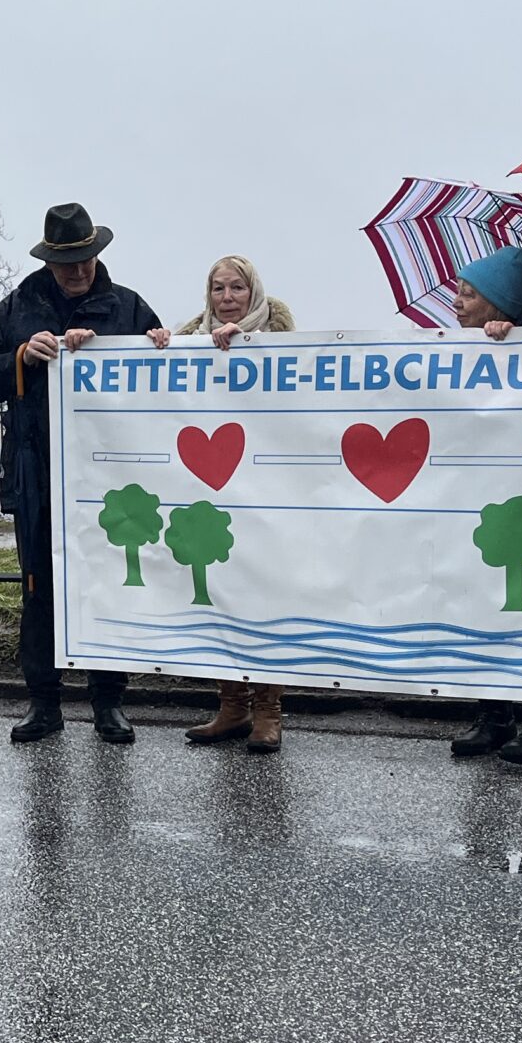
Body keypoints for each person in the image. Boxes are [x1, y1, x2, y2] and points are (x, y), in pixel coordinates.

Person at [0, 202, 170, 744]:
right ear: (50, 261)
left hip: (112, 480)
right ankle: (44, 704)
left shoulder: (128, 307)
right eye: (68, 264)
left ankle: (108, 702)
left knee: (108, 581)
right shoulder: (16, 308)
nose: (79, 271)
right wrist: (22, 357)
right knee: (39, 588)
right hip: (37, 474)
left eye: (87, 260)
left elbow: (166, 382)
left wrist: (161, 347)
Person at [442, 246, 522, 767]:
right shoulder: (464, 345)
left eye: (469, 293)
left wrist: (519, 344)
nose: (458, 302)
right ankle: (493, 714)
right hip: (484, 493)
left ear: (498, 302)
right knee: (485, 598)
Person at [175, 255, 296, 754]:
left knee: (263, 595)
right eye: (218, 289)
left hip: (264, 489)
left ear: (254, 292)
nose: (227, 297)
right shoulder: (194, 334)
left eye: (237, 288)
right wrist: (175, 346)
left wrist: (249, 349)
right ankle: (231, 706)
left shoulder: (281, 332)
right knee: (219, 596)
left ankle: (269, 712)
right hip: (213, 486)